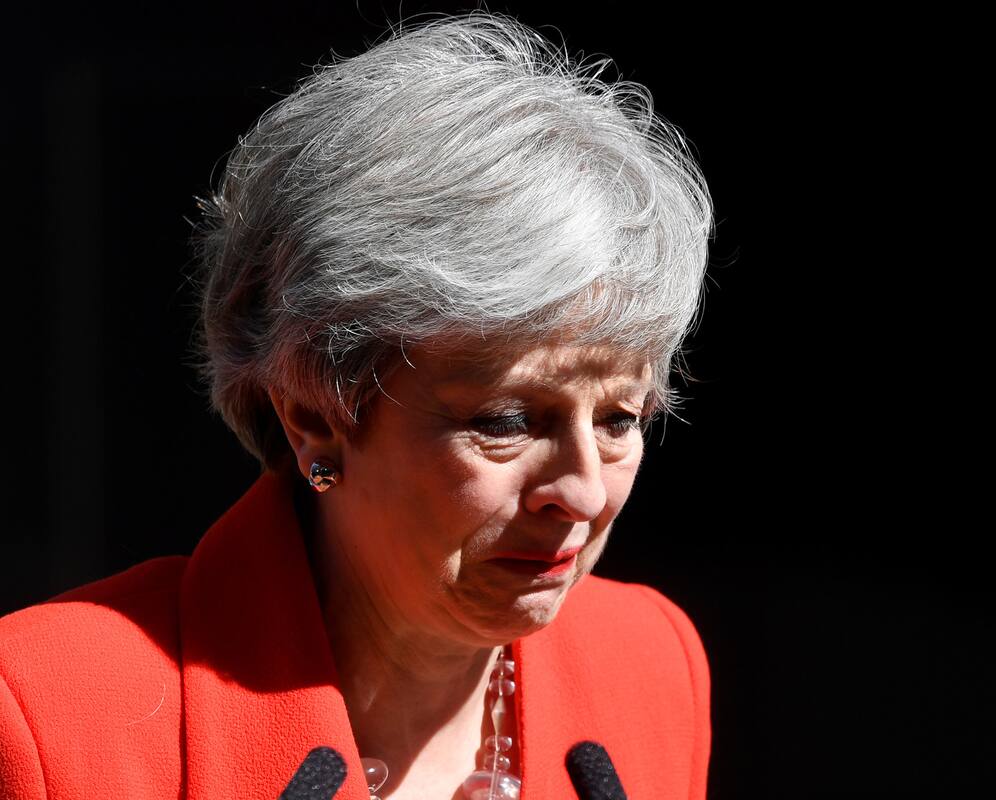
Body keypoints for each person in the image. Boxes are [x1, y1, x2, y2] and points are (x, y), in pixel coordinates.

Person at [0, 11, 713, 800]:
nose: (581, 491)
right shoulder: (44, 715)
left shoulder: (650, 664)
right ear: (315, 413)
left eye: (619, 419)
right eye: (508, 421)